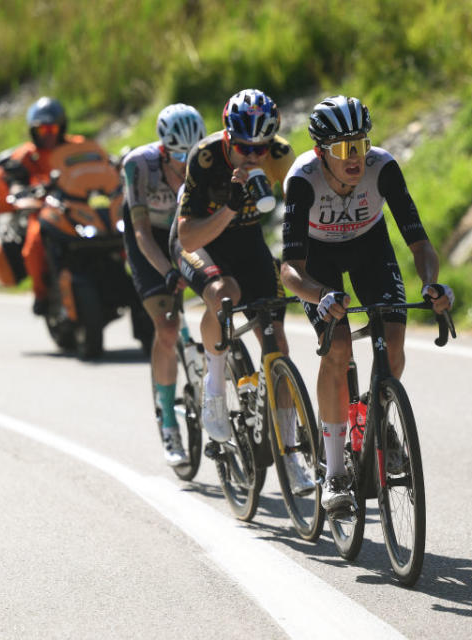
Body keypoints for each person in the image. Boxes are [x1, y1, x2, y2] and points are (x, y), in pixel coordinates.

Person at [280, 95, 454, 511]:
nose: (355, 157)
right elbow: (289, 271)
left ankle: (377, 416)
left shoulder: (383, 168)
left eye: (360, 144)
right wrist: (321, 296)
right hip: (318, 261)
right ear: (322, 152)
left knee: (394, 338)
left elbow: (420, 243)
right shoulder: (302, 180)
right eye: (343, 149)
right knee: (337, 347)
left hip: (368, 248)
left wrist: (432, 284)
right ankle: (335, 470)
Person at [170, 89, 313, 491]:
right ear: (228, 135)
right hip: (200, 240)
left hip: (247, 241)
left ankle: (290, 451)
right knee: (224, 290)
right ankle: (214, 390)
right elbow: (188, 236)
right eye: (244, 146)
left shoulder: (281, 156)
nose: (252, 155)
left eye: (260, 147)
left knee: (277, 338)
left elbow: (305, 211)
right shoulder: (205, 157)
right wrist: (229, 207)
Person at [121, 103, 206, 466]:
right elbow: (140, 232)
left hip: (184, 230)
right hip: (148, 239)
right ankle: (169, 422)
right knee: (167, 328)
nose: (185, 162)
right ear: (162, 148)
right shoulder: (139, 166)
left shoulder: (206, 159)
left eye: (192, 154)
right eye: (177, 156)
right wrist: (168, 271)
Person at [0, 96, 88, 315]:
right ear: (33, 131)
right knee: (33, 245)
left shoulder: (77, 146)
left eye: (52, 128)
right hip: (43, 211)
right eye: (42, 130)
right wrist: (19, 191)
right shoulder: (26, 155)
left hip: (80, 208)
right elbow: (14, 178)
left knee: (116, 230)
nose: (48, 135)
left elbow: (100, 164)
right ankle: (41, 293)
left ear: (61, 127)